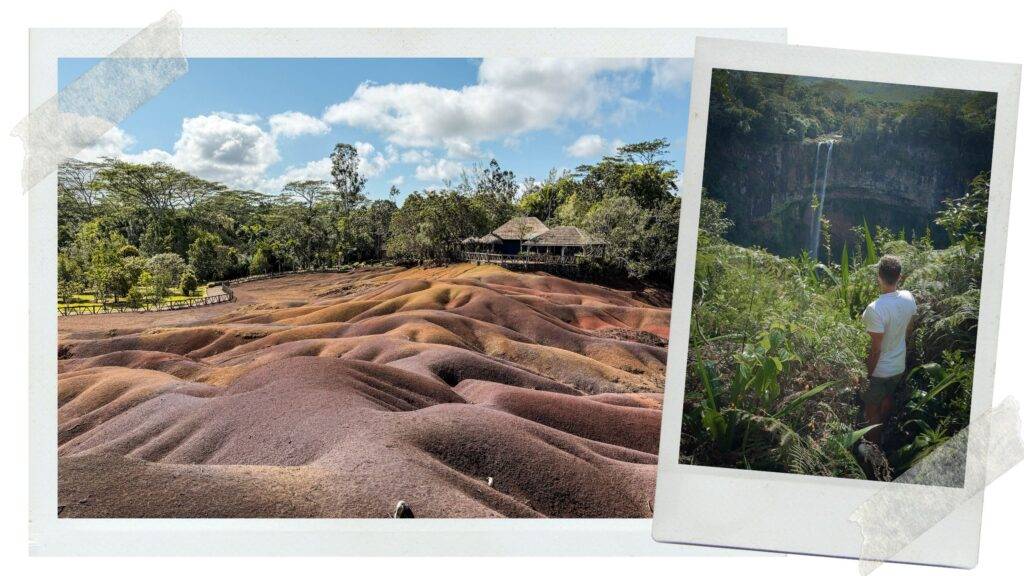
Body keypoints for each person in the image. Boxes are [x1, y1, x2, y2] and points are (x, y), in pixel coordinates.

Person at [861, 254, 917, 444]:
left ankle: (874, 448)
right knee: (887, 397)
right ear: (899, 276)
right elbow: (909, 329)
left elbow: (875, 350)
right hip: (898, 366)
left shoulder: (874, 309)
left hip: (880, 370)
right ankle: (883, 430)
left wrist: (867, 374)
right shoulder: (909, 298)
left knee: (871, 409)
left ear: (879, 276)